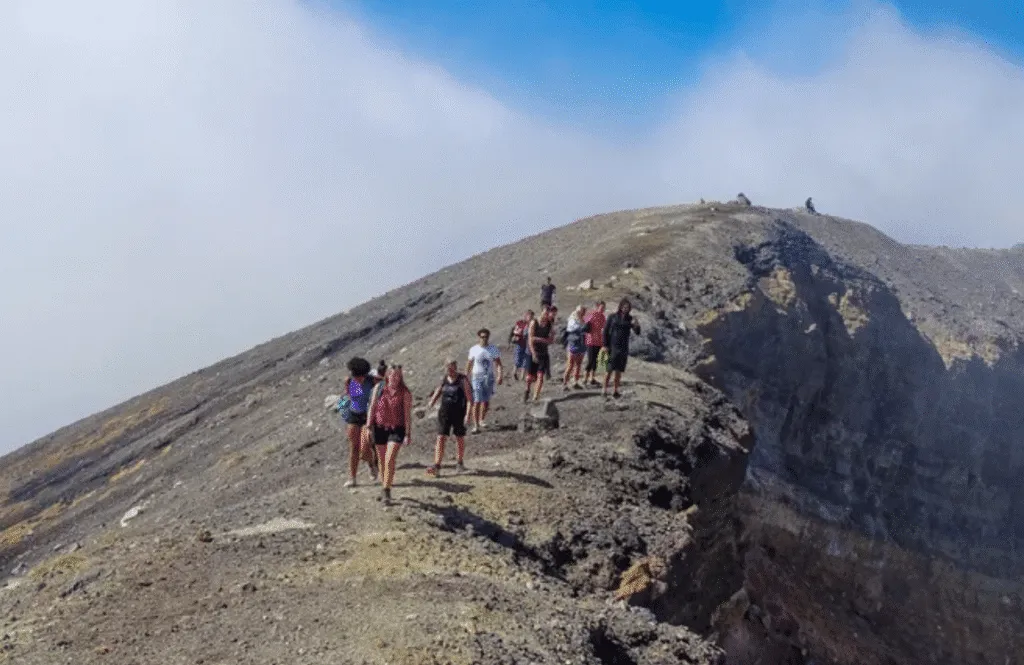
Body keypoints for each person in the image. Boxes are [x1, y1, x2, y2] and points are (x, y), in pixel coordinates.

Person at [364, 365, 413, 505]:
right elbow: (372, 407)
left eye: (398, 375)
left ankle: (386, 490)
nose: (395, 378)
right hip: (379, 427)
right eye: (393, 374)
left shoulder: (404, 392)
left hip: (396, 429)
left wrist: (408, 433)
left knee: (389, 458)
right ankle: (384, 485)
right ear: (387, 375)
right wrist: (368, 426)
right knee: (381, 460)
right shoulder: (379, 388)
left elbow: (407, 414)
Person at [426, 358, 472, 477]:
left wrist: (468, 414)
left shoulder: (463, 379)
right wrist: (431, 402)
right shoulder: (444, 379)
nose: (450, 371)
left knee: (459, 437)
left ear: (455, 367)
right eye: (448, 368)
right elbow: (439, 390)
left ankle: (460, 463)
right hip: (445, 413)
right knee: (441, 437)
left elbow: (469, 399)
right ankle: (437, 465)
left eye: (452, 368)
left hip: (459, 413)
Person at [341, 357, 379, 488]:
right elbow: (352, 397)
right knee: (353, 447)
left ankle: (372, 464)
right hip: (354, 414)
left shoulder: (372, 380)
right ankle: (352, 478)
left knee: (364, 448)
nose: (360, 380)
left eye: (362, 377)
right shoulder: (349, 381)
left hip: (367, 416)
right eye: (358, 377)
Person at [602, 298, 641, 399]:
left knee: (619, 371)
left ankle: (615, 391)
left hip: (623, 348)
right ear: (620, 307)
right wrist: (605, 345)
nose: (625, 309)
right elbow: (605, 331)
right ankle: (604, 390)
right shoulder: (612, 316)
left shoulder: (630, 318)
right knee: (609, 369)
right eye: (624, 307)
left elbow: (637, 332)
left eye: (627, 307)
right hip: (612, 346)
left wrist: (636, 322)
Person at [466, 329, 503, 434]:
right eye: (482, 337)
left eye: (486, 337)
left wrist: (500, 375)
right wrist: (466, 377)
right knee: (477, 401)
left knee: (486, 401)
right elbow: (469, 364)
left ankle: (481, 419)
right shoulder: (474, 349)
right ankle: (476, 425)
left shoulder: (493, 349)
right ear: (479, 337)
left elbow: (498, 363)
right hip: (476, 377)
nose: (484, 339)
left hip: (488, 377)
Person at [525, 307, 555, 402]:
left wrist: (540, 339)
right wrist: (533, 353)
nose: (546, 315)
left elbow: (551, 340)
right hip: (533, 351)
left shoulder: (549, 324)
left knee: (540, 376)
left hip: (543, 352)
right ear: (541, 312)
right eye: (545, 313)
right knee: (530, 377)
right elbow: (530, 339)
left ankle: (535, 397)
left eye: (548, 314)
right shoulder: (534, 322)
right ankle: (527, 390)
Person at [562, 305, 588, 391]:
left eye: (584, 311)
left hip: (582, 343)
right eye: (581, 311)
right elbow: (572, 329)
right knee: (570, 364)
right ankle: (565, 383)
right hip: (573, 343)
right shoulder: (572, 319)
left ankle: (575, 382)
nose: (582, 313)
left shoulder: (584, 319)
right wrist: (582, 326)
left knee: (579, 364)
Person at [582, 300, 607, 387]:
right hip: (591, 341)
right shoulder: (591, 314)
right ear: (597, 306)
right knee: (590, 360)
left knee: (595, 361)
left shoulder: (603, 317)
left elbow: (604, 328)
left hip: (599, 341)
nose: (603, 309)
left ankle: (592, 378)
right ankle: (585, 379)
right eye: (602, 307)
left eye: (604, 308)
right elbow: (584, 324)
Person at [508, 310, 534, 381]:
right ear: (526, 316)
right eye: (529, 316)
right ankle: (514, 372)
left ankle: (522, 377)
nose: (530, 318)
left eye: (531, 317)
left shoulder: (532, 324)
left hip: (528, 344)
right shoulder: (520, 323)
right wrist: (517, 335)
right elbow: (515, 331)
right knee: (518, 358)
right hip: (519, 343)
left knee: (525, 360)